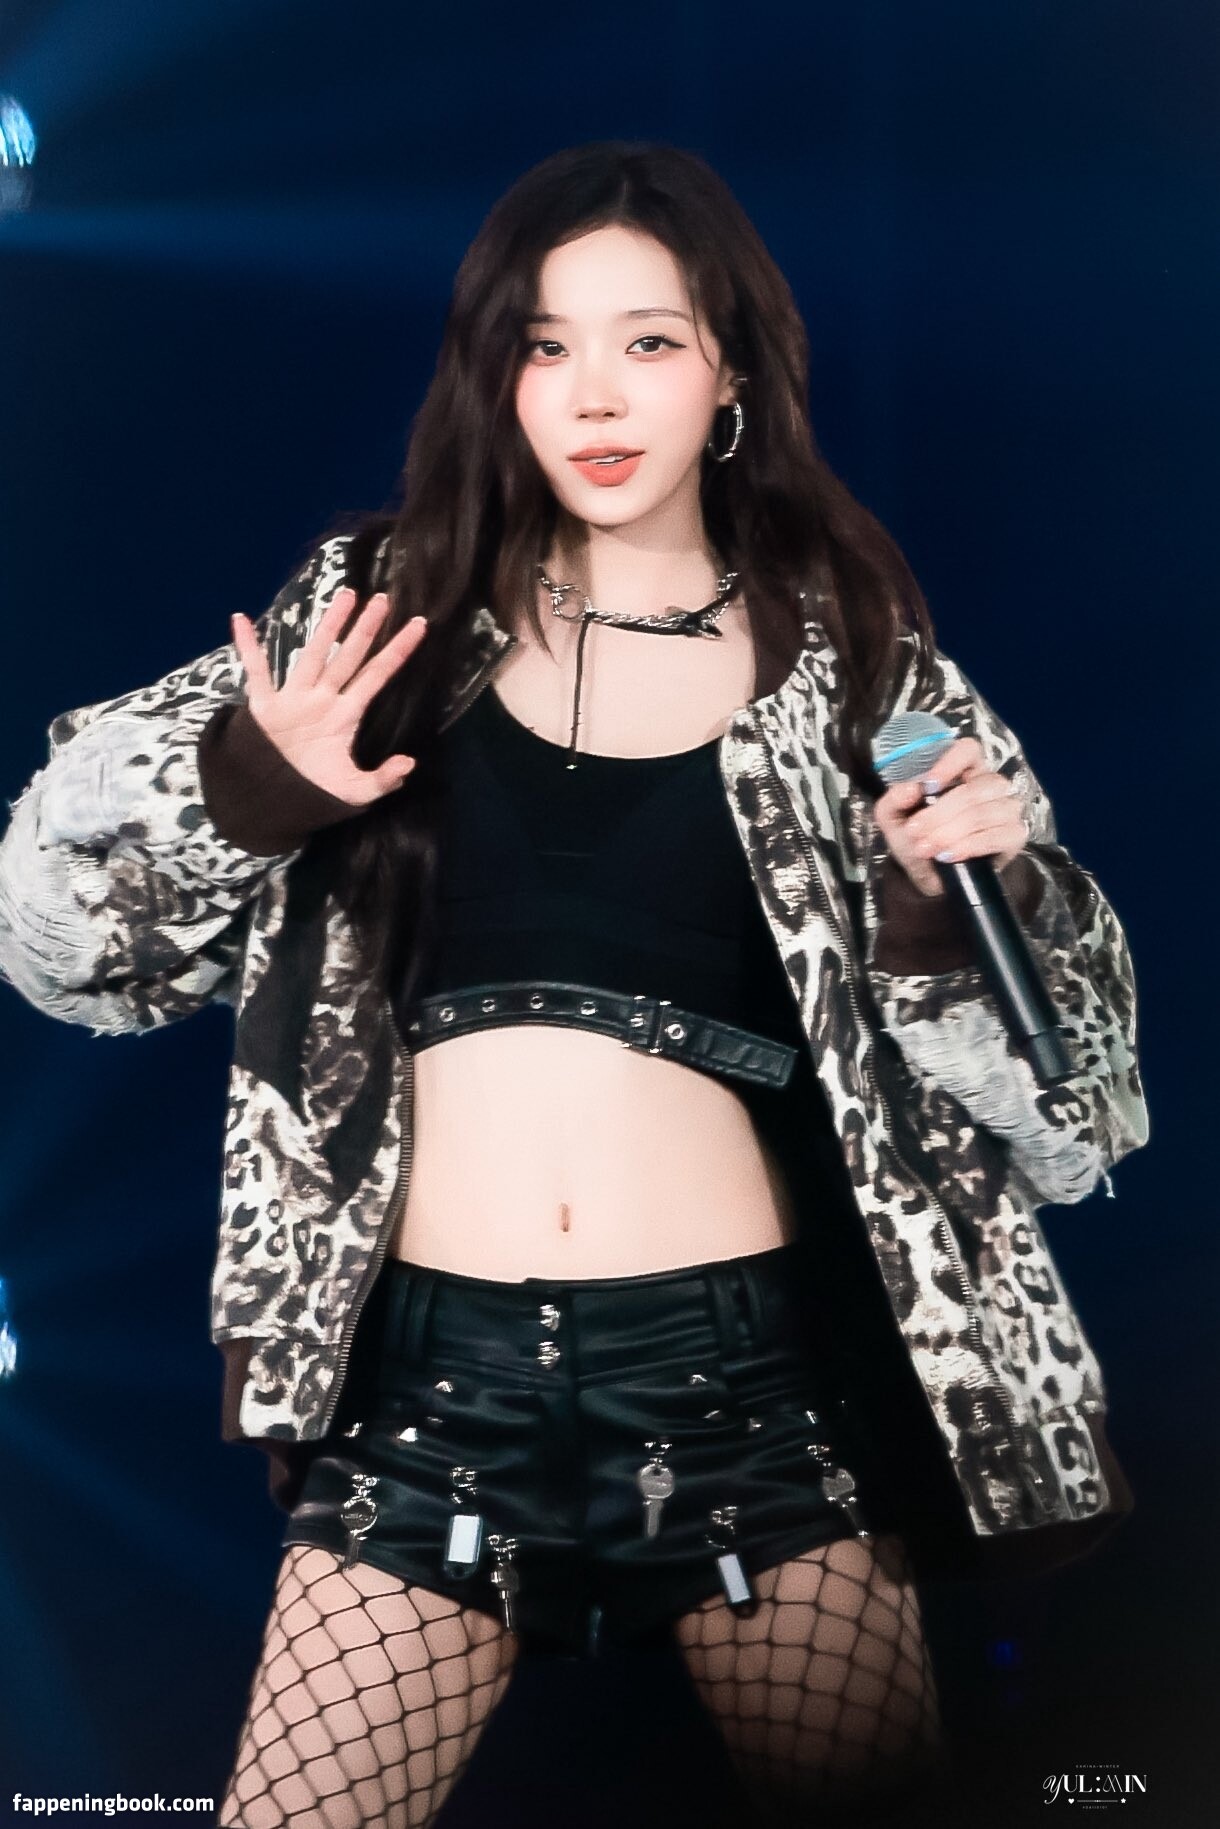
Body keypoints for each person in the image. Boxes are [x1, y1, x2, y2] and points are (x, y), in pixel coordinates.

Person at [0, 141, 1148, 1829]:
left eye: (650, 341)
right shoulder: (378, 620)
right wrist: (255, 785)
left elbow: (1079, 1108)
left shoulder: (859, 661)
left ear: (732, 373)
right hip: (428, 1396)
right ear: (498, 376)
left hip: (753, 1394)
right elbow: (56, 946)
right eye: (546, 346)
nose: (595, 394)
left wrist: (951, 907)